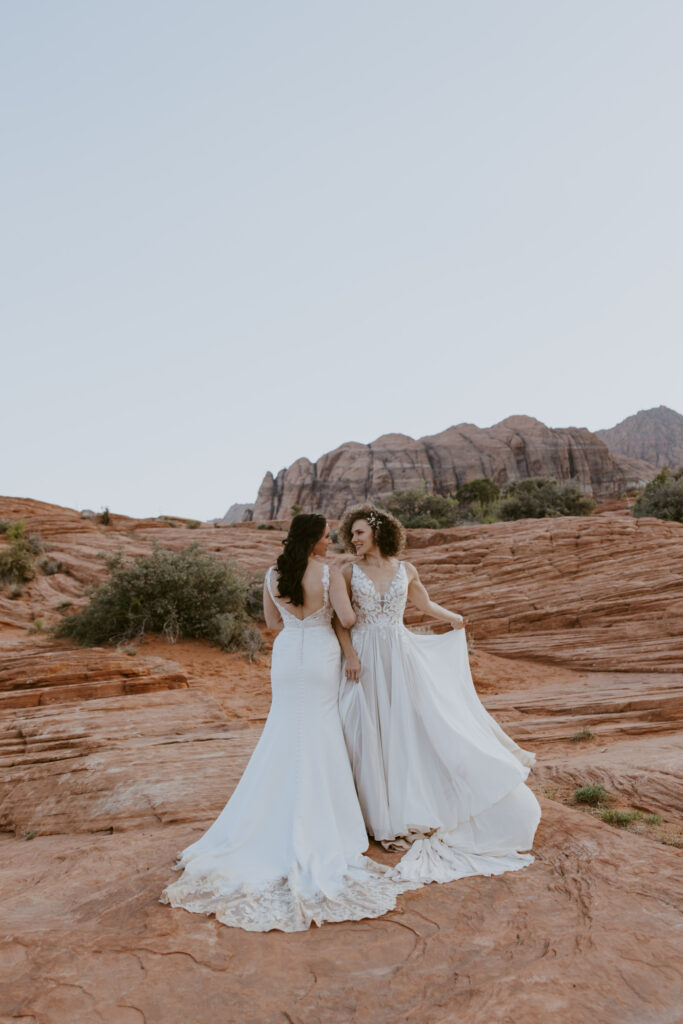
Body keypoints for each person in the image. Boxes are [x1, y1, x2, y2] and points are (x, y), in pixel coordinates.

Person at [160, 513, 409, 932]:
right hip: (320, 656)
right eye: (326, 536)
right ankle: (328, 824)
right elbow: (346, 620)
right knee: (320, 733)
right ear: (313, 540)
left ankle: (266, 820)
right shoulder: (328, 574)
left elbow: (272, 623)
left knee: (282, 731)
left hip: (288, 654)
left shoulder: (274, 574)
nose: (331, 541)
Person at [335, 504, 541, 886]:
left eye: (360, 533)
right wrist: (349, 656)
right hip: (364, 658)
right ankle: (371, 813)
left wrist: (453, 619)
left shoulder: (406, 569)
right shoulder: (347, 571)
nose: (354, 539)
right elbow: (339, 621)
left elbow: (424, 605)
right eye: (353, 534)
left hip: (400, 655)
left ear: (378, 533)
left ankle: (410, 805)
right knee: (367, 730)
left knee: (410, 727)